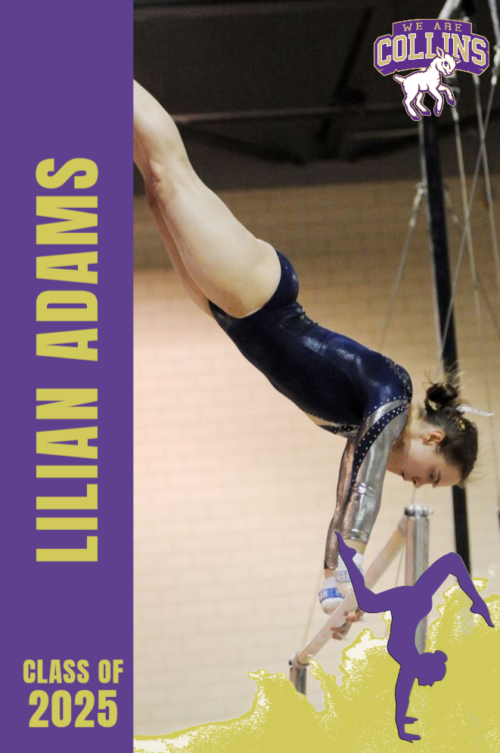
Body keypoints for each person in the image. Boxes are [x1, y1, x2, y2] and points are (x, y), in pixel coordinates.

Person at [133, 81, 479, 618]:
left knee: (156, 186)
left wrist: (333, 585)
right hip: (258, 297)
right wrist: (350, 570)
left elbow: (348, 482)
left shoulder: (369, 425)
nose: (418, 483)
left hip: (234, 312)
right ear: (433, 436)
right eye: (433, 473)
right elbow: (363, 488)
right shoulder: (392, 396)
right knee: (167, 171)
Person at [336, 532, 494, 742]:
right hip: (411, 602)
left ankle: (477, 601)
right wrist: (400, 726)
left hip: (414, 600)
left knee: (451, 562)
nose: (427, 685)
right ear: (426, 668)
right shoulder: (410, 663)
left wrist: (401, 720)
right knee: (367, 602)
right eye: (431, 680)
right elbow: (401, 692)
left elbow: (403, 692)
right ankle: (347, 558)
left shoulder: (411, 662)